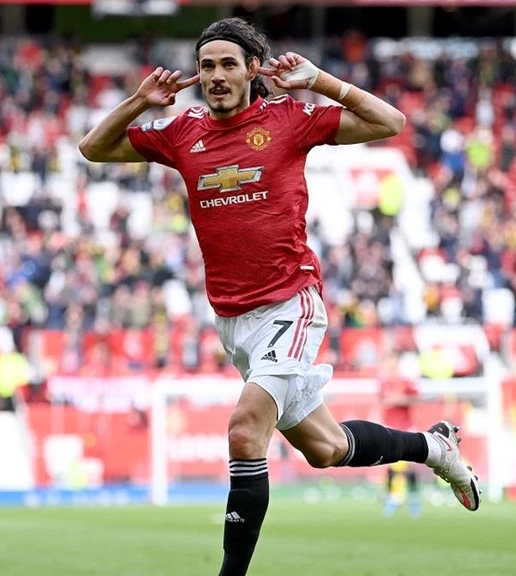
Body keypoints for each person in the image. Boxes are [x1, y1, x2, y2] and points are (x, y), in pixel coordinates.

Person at [79, 17, 481, 575]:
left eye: (227, 64)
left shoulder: (288, 119)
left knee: (245, 429)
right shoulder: (182, 131)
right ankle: (434, 448)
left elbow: (390, 120)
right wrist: (140, 101)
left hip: (292, 303)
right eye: (206, 66)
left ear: (251, 70)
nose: (216, 75)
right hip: (234, 321)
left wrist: (321, 82)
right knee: (327, 449)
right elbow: (93, 148)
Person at [378, 352, 421, 518]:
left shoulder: (405, 381)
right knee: (390, 465)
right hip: (389, 428)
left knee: (408, 466)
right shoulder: (383, 383)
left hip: (406, 427)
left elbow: (415, 398)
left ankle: (413, 500)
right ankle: (392, 498)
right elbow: (383, 400)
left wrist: (400, 399)